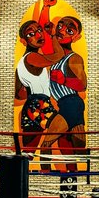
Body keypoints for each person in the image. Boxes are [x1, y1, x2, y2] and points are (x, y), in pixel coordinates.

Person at [14, 0, 61, 152]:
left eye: (39, 31)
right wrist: (53, 35)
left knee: (29, 149)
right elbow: (57, 56)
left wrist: (45, 8)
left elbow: (20, 94)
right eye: (30, 34)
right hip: (38, 104)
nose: (38, 35)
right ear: (23, 41)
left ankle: (30, 172)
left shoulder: (29, 59)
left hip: (35, 104)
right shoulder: (32, 57)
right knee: (62, 125)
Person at [40, 15, 87, 158]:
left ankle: (44, 176)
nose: (63, 31)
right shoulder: (57, 56)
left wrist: (64, 80)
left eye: (70, 31)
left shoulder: (74, 58)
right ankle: (74, 176)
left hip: (71, 104)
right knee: (75, 146)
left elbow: (83, 85)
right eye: (60, 26)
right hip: (65, 104)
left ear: (76, 37)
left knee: (46, 145)